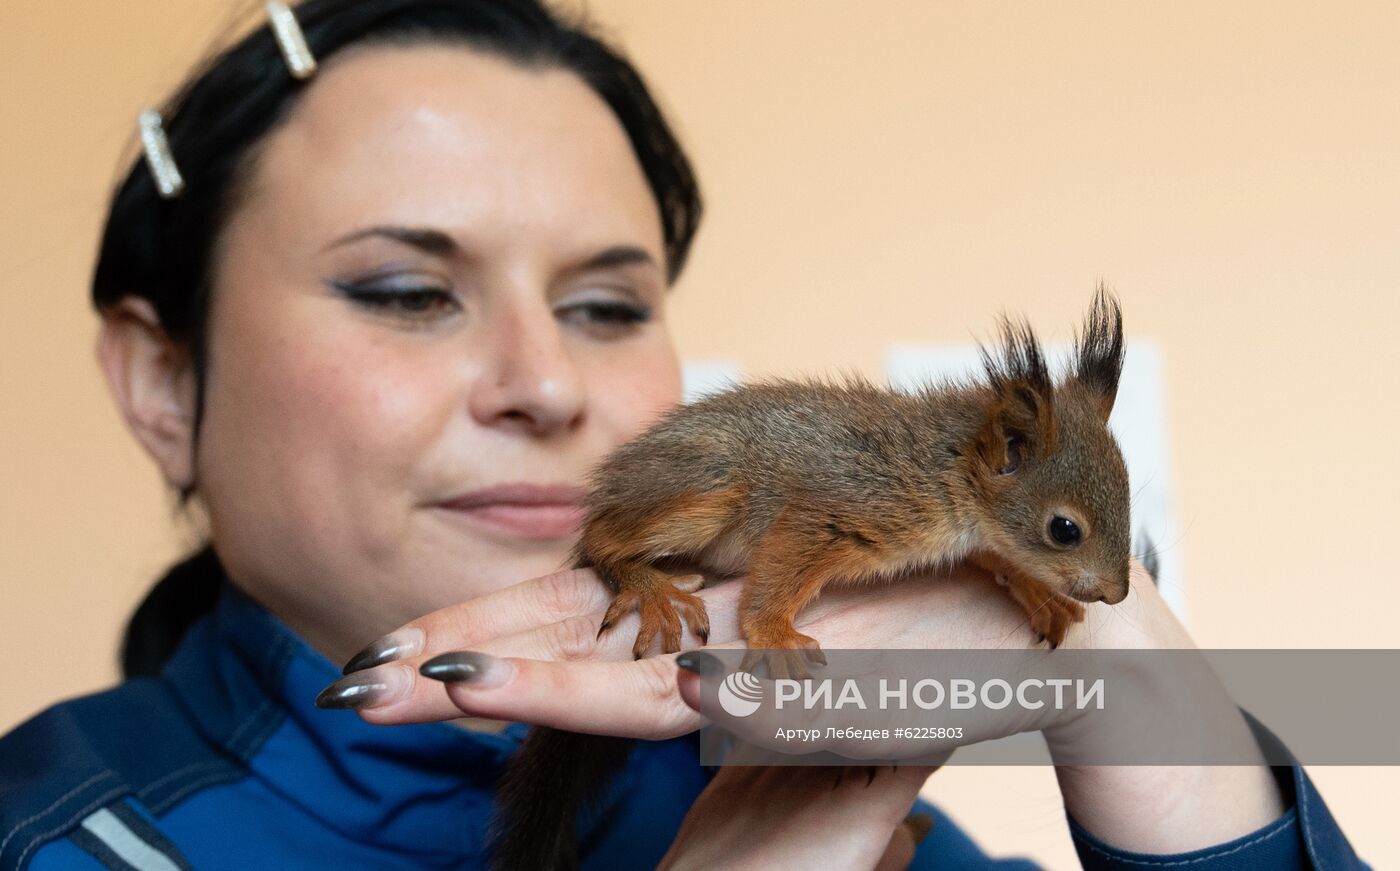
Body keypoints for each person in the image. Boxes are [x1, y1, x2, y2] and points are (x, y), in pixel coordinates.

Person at [0, 1, 1368, 869]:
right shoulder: (58, 838)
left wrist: (1127, 675)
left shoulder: (875, 819)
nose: (542, 383)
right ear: (163, 383)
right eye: (408, 292)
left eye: (606, 303)